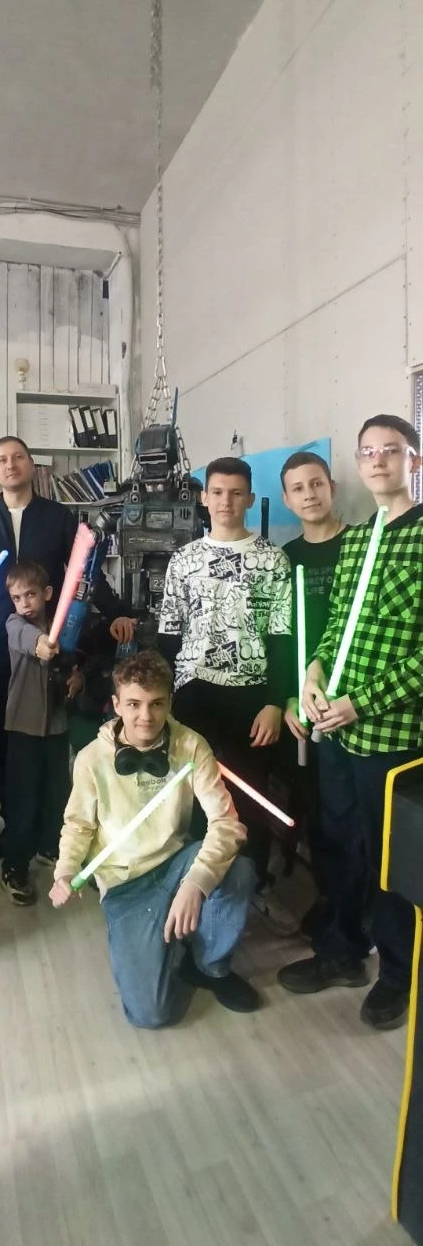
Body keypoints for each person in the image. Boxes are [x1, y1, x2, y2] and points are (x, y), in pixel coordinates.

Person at [279, 414, 423, 1030]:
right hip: (335, 729)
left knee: (389, 859)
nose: (378, 459)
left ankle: (398, 973)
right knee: (338, 847)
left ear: (414, 460)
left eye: (392, 449)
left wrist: (362, 702)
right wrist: (313, 673)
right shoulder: (360, 540)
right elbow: (338, 622)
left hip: (391, 735)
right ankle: (341, 952)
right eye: (368, 451)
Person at [50, 650, 259, 1028]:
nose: (145, 716)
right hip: (125, 883)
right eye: (133, 704)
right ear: (116, 704)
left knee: (239, 870)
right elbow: (78, 824)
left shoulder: (191, 745)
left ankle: (208, 964)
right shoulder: (90, 759)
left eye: (156, 704)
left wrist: (195, 883)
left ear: (169, 703)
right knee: (150, 1015)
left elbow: (227, 824)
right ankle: (168, 943)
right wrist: (66, 870)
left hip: (176, 862)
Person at [0, 435, 135, 858]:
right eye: (2, 459)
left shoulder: (58, 517)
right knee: (4, 743)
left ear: (31, 465)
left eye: (18, 457)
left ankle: (48, 831)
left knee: (50, 744)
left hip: (52, 647)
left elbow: (87, 571)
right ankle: (14, 826)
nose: (10, 464)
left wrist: (117, 612)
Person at [157, 456, 294, 934]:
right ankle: (196, 891)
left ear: (250, 498)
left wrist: (275, 701)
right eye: (217, 492)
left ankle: (249, 888)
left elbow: (282, 639)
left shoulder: (273, 560)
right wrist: (165, 701)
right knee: (196, 798)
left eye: (236, 493)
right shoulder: (184, 560)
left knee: (250, 798)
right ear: (204, 497)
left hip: (253, 698)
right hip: (193, 695)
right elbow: (169, 635)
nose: (226, 502)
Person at [279, 450, 348, 938]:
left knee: (351, 817)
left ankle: (354, 909)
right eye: (298, 488)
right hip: (303, 708)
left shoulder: (361, 546)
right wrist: (289, 698)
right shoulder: (286, 559)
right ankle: (328, 896)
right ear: (286, 499)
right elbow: (283, 639)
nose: (309, 494)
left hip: (351, 706)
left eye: (316, 483)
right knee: (315, 811)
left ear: (332, 488)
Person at [2, 559, 82, 906]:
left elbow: (72, 661)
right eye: (17, 598)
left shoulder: (64, 625)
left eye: (31, 595)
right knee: (23, 800)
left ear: (47, 594)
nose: (24, 604)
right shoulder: (15, 624)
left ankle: (50, 847)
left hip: (57, 727)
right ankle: (14, 865)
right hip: (23, 727)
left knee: (57, 794)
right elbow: (29, 640)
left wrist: (77, 676)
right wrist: (43, 645)